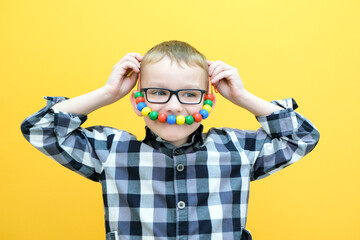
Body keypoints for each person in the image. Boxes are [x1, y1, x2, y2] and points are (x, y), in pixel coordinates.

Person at [20, 40, 320, 240]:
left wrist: (242, 97)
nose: (174, 106)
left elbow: (302, 136)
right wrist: (107, 93)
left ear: (208, 100)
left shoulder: (236, 151)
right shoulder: (111, 151)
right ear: (138, 99)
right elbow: (40, 128)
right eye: (158, 93)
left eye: (190, 94)